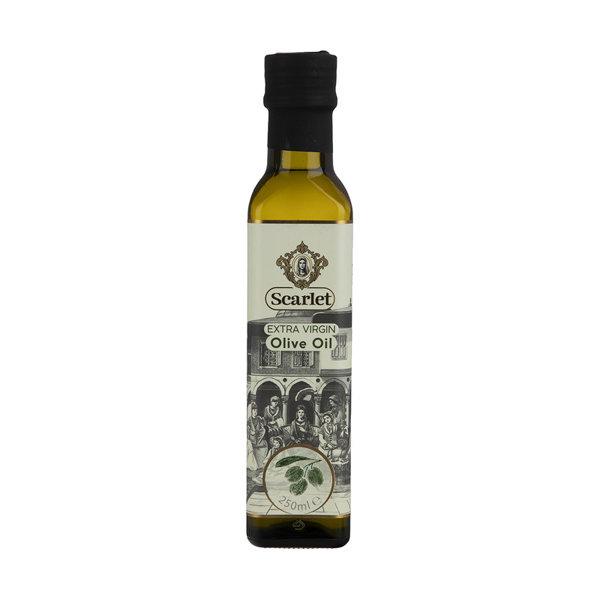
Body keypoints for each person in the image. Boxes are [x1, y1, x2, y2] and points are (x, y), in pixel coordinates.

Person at [247, 402, 268, 469]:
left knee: (264, 445)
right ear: (251, 411)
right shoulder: (248, 420)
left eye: (256, 411)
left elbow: (263, 428)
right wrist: (251, 432)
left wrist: (259, 430)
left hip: (259, 437)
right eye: (253, 411)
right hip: (252, 438)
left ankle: (261, 464)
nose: (255, 412)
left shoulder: (259, 419)